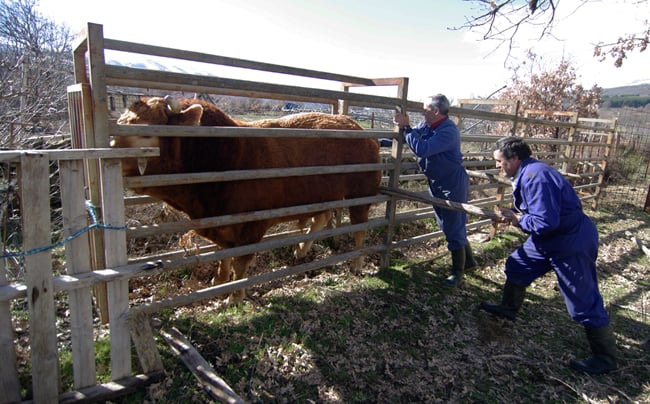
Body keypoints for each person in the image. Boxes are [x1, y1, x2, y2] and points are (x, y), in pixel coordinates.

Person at [480, 136, 617, 375]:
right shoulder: (528, 173)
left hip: (569, 240)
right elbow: (538, 211)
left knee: (582, 299)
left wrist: (517, 219)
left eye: (499, 161)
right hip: (550, 239)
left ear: (515, 158)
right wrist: (514, 213)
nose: (497, 166)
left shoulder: (536, 177)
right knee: (517, 265)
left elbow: (545, 222)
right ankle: (508, 308)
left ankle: (605, 358)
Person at [391, 94, 477, 287]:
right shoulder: (427, 125)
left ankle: (457, 273)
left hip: (451, 183)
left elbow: (422, 148)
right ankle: (469, 262)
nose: (423, 112)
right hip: (437, 181)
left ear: (436, 111)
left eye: (426, 109)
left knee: (453, 225)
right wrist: (379, 141)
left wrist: (405, 126)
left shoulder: (448, 131)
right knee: (447, 224)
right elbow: (410, 139)